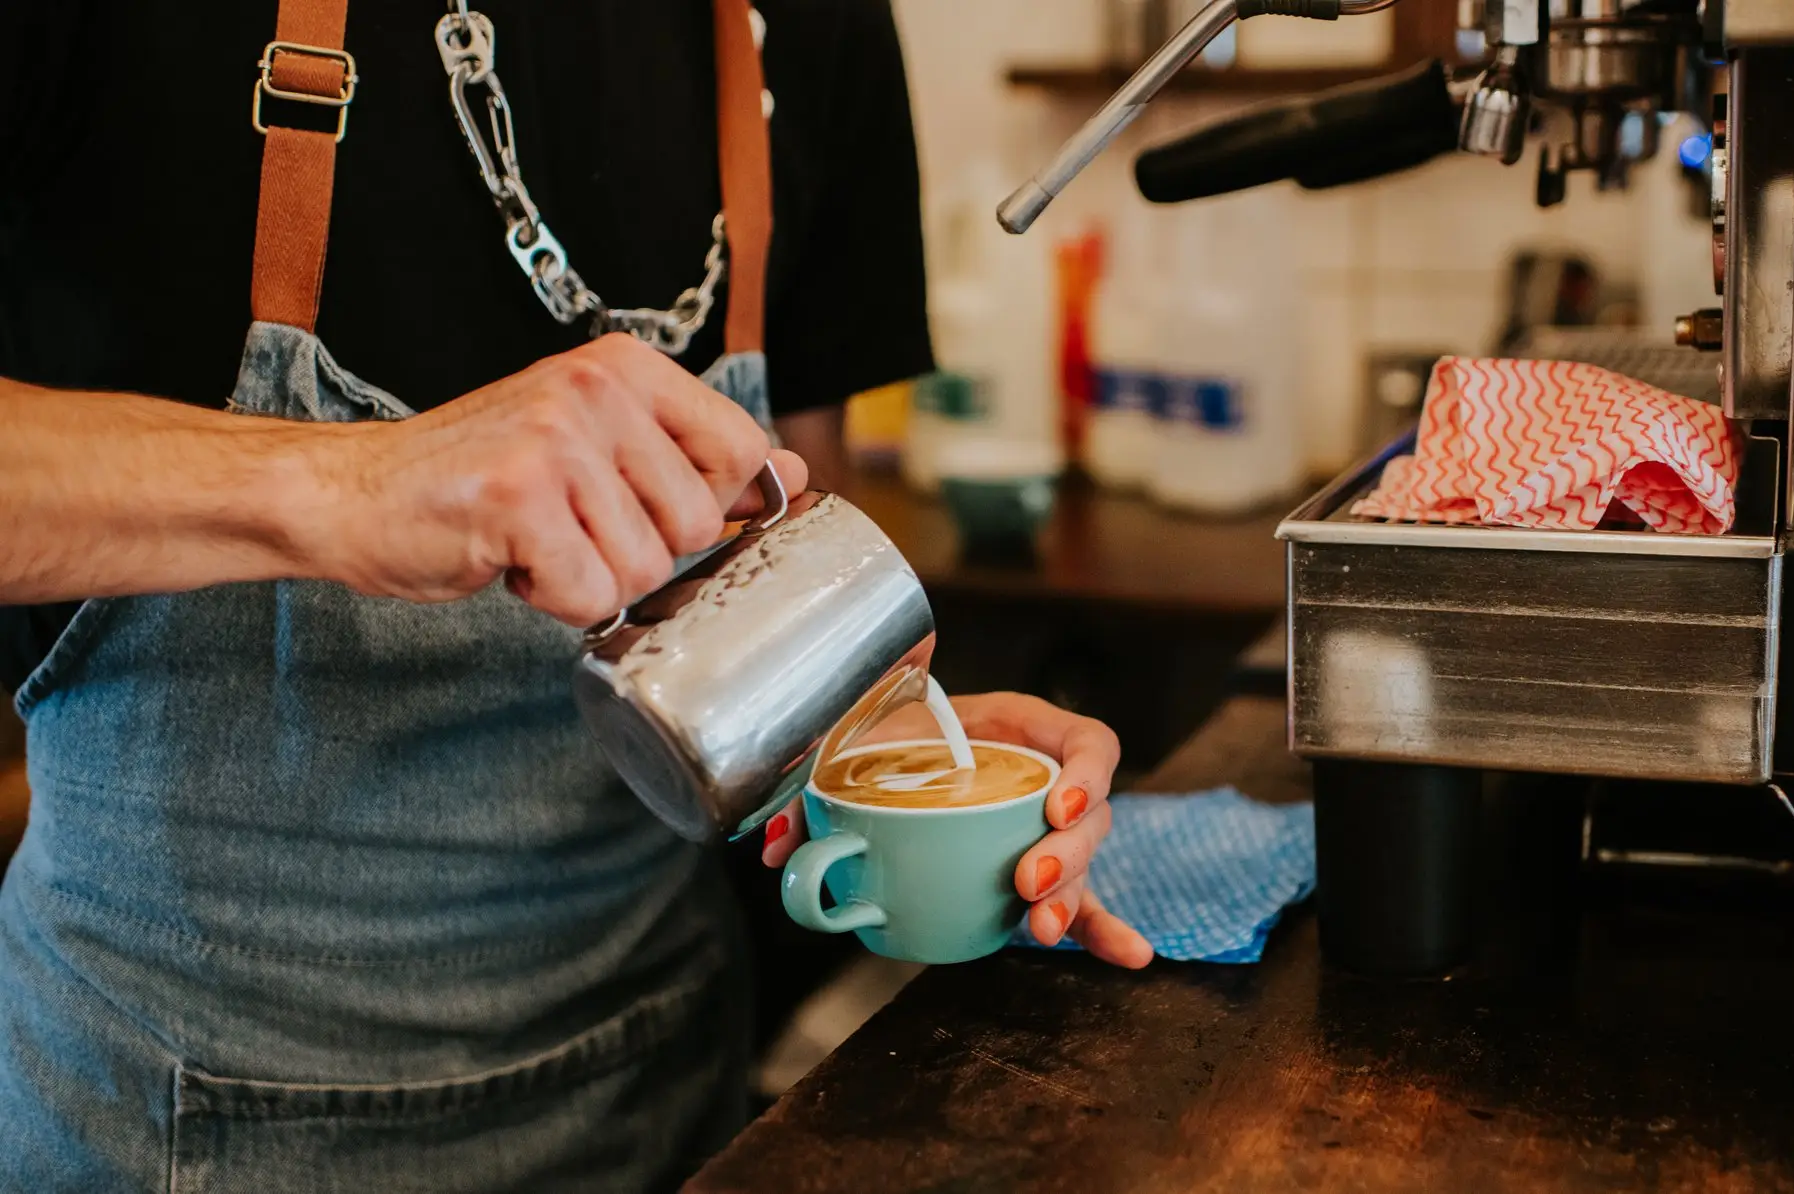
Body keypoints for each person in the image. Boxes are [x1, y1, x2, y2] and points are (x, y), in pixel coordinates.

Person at [0, 3, 1150, 1191]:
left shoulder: (812, 25)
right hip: (181, 1119)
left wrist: (874, 735)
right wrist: (345, 480)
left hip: (670, 1095)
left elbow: (790, 528)